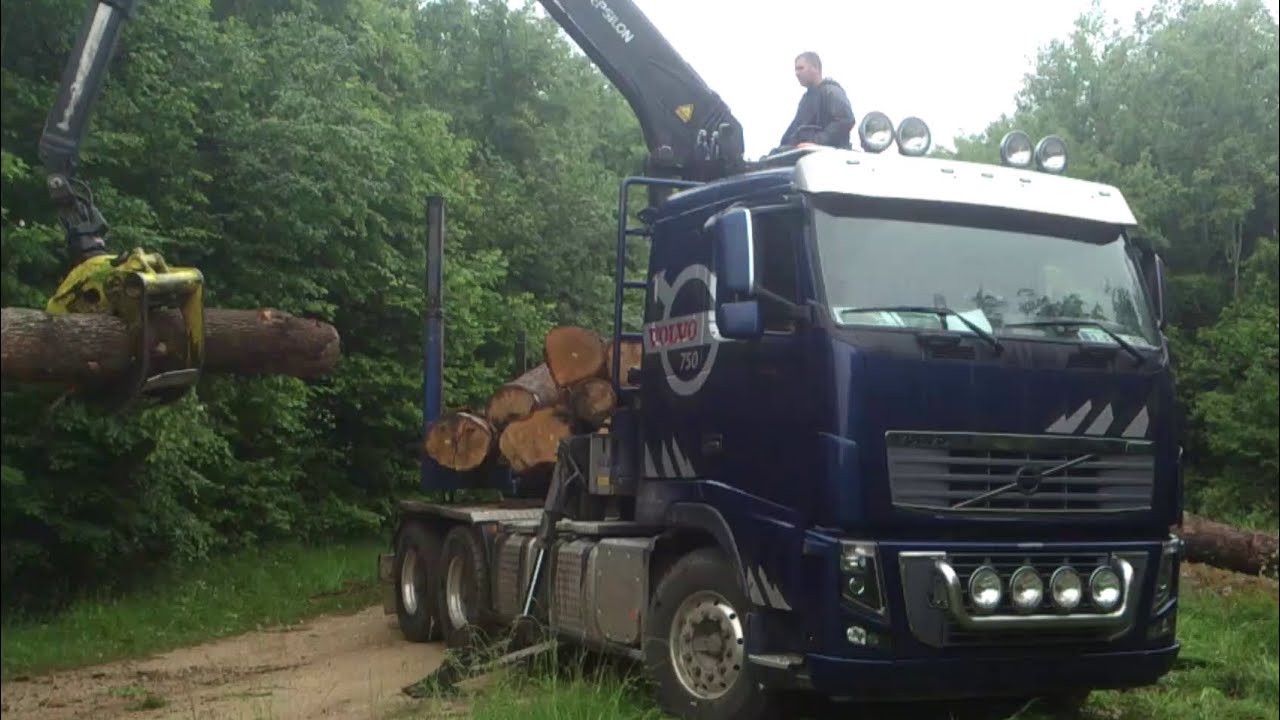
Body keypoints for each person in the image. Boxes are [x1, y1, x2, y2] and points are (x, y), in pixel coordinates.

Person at [778, 51, 855, 150]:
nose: (797, 73)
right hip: (803, 154)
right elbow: (794, 130)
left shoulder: (831, 91)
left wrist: (816, 143)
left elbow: (846, 120)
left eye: (801, 68)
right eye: (796, 69)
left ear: (816, 69)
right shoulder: (806, 100)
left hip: (828, 156)